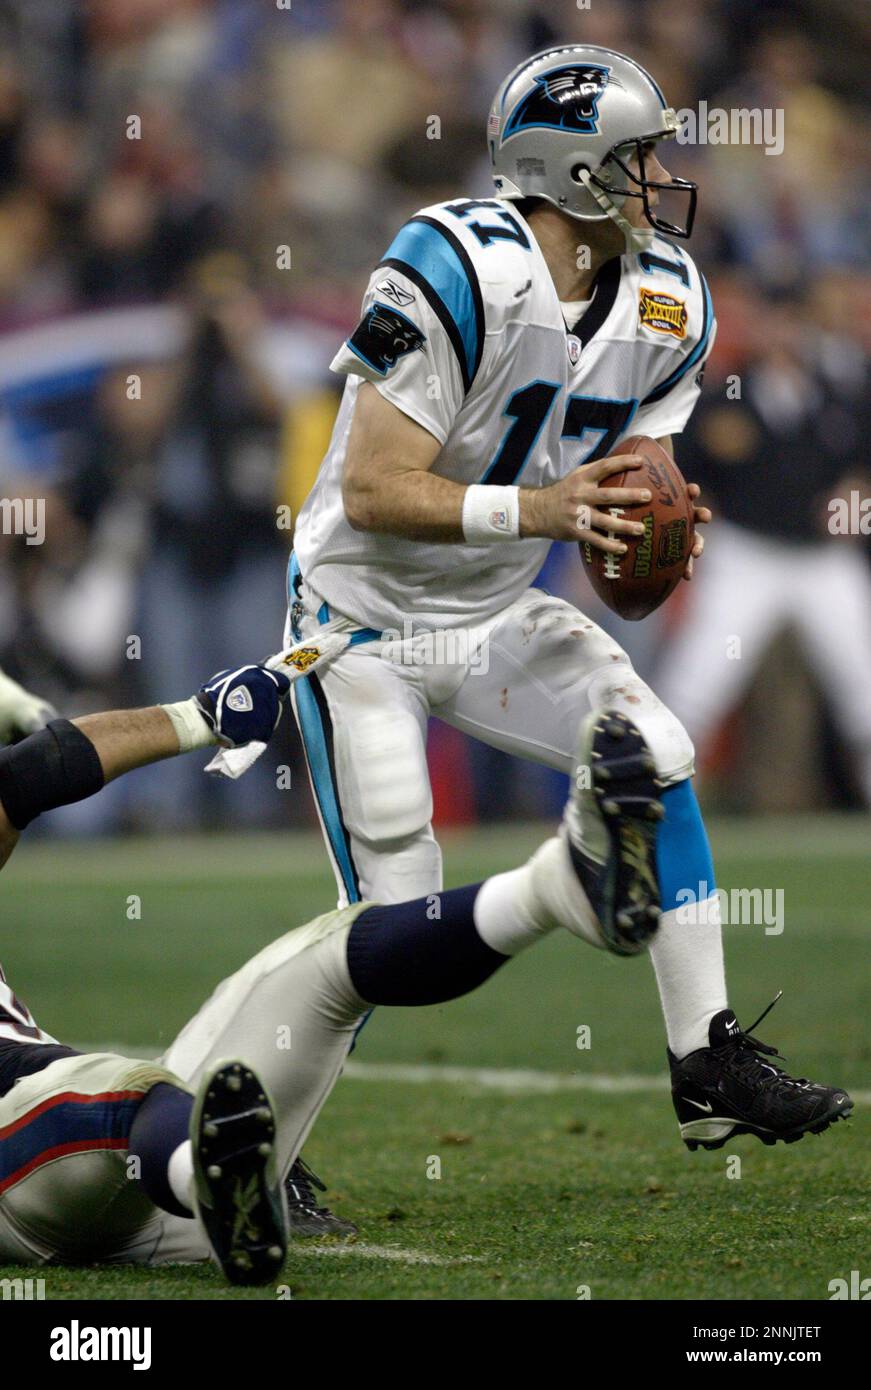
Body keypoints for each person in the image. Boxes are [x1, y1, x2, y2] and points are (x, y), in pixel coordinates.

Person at [285, 46, 726, 1206]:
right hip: (359, 620)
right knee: (392, 916)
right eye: (636, 158)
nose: (658, 178)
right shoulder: (449, 262)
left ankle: (709, 1057)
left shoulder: (668, 290)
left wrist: (656, 520)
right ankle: (264, 1153)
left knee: (656, 747)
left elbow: (638, 472)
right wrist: (541, 508)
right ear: (571, 173)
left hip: (489, 609)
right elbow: (376, 487)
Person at [0, 681, 852, 1279]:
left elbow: (27, 780)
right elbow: (26, 777)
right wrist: (189, 718)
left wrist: (196, 717)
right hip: (37, 1160)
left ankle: (561, 883)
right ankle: (210, 1179)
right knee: (118, 1098)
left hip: (136, 1175)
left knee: (332, 956)